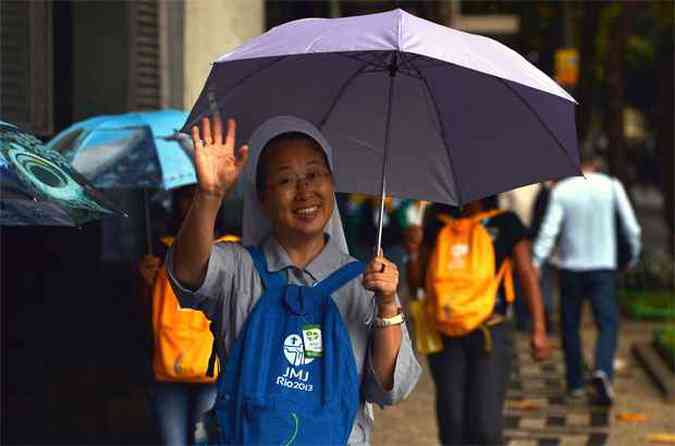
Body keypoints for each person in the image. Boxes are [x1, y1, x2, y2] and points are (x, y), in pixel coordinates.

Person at [167, 114, 421, 444]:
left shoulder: (365, 281)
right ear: (262, 197)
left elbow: (389, 388)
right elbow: (187, 274)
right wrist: (210, 195)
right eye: (286, 180)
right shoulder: (237, 268)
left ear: (332, 183)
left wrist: (387, 302)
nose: (304, 191)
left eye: (315, 174)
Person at [407, 197, 550, 446]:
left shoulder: (506, 223)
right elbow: (417, 283)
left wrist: (539, 328)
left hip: (490, 333)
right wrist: (413, 251)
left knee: (485, 426)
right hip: (445, 333)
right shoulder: (435, 222)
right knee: (452, 423)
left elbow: (527, 274)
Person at [532, 147, 641, 405]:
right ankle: (603, 370)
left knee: (570, 325)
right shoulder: (612, 186)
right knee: (607, 323)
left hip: (570, 267)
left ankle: (575, 383)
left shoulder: (563, 190)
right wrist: (632, 257)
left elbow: (549, 231)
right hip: (603, 267)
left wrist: (536, 261)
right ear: (597, 163)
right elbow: (632, 228)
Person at [139, 185, 235, 445]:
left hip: (213, 366)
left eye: (199, 194)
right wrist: (144, 282)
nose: (193, 203)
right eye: (186, 196)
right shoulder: (159, 251)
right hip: (169, 365)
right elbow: (144, 316)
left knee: (204, 441)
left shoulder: (233, 251)